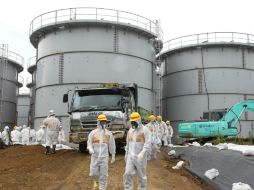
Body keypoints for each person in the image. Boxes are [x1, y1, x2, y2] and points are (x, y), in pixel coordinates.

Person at [87, 114, 116, 190]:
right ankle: (96, 181)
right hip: (95, 156)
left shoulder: (108, 133)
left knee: (104, 175)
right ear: (98, 122)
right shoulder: (93, 133)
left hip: (104, 157)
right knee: (93, 173)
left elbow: (112, 144)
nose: (103, 123)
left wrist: (113, 155)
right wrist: (90, 148)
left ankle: (102, 188)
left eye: (104, 122)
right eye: (102, 121)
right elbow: (89, 142)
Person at [124, 112, 151, 190]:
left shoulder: (145, 130)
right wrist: (126, 153)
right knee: (127, 173)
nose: (133, 123)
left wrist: (142, 153)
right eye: (132, 121)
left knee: (141, 176)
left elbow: (148, 142)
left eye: (134, 121)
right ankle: (128, 188)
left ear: (139, 120)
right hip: (130, 156)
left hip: (141, 157)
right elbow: (128, 143)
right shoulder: (130, 130)